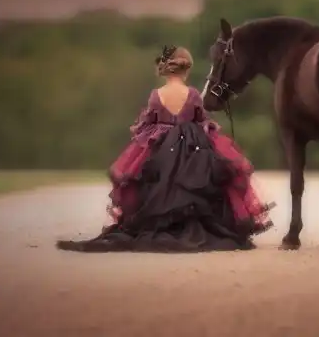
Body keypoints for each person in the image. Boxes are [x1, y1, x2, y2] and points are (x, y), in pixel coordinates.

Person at [56, 45, 275, 253]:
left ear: (166, 68)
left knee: (155, 182)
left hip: (161, 149)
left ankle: (161, 223)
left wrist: (147, 133)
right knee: (200, 183)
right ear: (186, 69)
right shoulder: (193, 94)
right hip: (193, 149)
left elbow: (147, 123)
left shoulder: (156, 94)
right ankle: (193, 224)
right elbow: (201, 120)